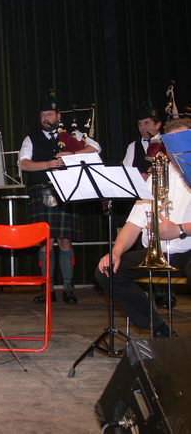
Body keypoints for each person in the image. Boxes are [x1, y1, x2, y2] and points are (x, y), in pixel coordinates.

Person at [96, 117, 191, 338]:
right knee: (108, 272)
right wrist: (116, 252)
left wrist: (180, 229)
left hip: (188, 251)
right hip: (159, 253)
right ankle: (159, 329)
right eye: (173, 144)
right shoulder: (159, 172)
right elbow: (134, 222)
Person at [18, 100, 101, 304]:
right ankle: (48, 289)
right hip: (42, 191)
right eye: (42, 115)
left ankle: (68, 289)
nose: (46, 118)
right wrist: (49, 164)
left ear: (58, 116)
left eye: (49, 114)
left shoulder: (74, 135)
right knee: (45, 243)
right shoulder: (31, 139)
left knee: (65, 241)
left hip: (67, 191)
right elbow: (24, 164)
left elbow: (95, 149)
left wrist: (73, 155)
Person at [122, 107, 163, 180]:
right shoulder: (133, 146)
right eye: (139, 124)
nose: (142, 127)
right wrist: (138, 178)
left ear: (158, 125)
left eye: (147, 123)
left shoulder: (168, 142)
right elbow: (126, 173)